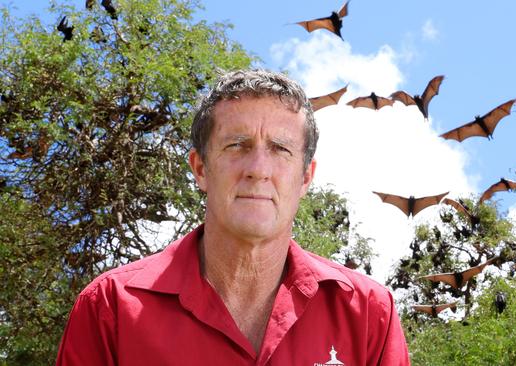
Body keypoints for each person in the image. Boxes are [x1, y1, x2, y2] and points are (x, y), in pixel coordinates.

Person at [56, 69, 410, 365]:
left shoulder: (368, 313)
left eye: (281, 149)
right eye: (236, 145)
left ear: (305, 177)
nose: (258, 170)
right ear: (200, 169)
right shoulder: (110, 308)